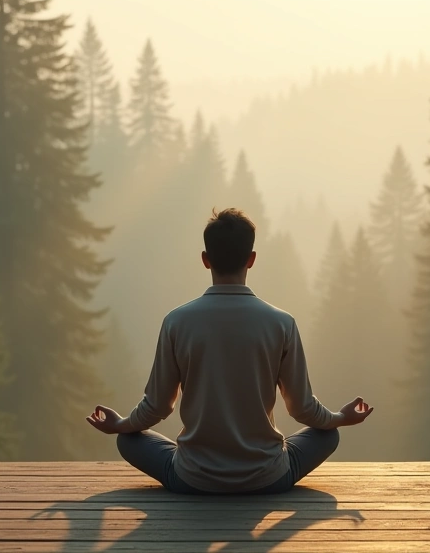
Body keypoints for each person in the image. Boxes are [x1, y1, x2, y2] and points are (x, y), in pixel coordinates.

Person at [86, 208, 373, 495]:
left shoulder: (177, 321)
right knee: (328, 435)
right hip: (267, 477)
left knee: (127, 439)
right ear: (251, 259)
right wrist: (340, 418)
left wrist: (121, 424)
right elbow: (302, 408)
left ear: (205, 259)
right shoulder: (281, 323)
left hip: (193, 479)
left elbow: (157, 406)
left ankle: (194, 462)